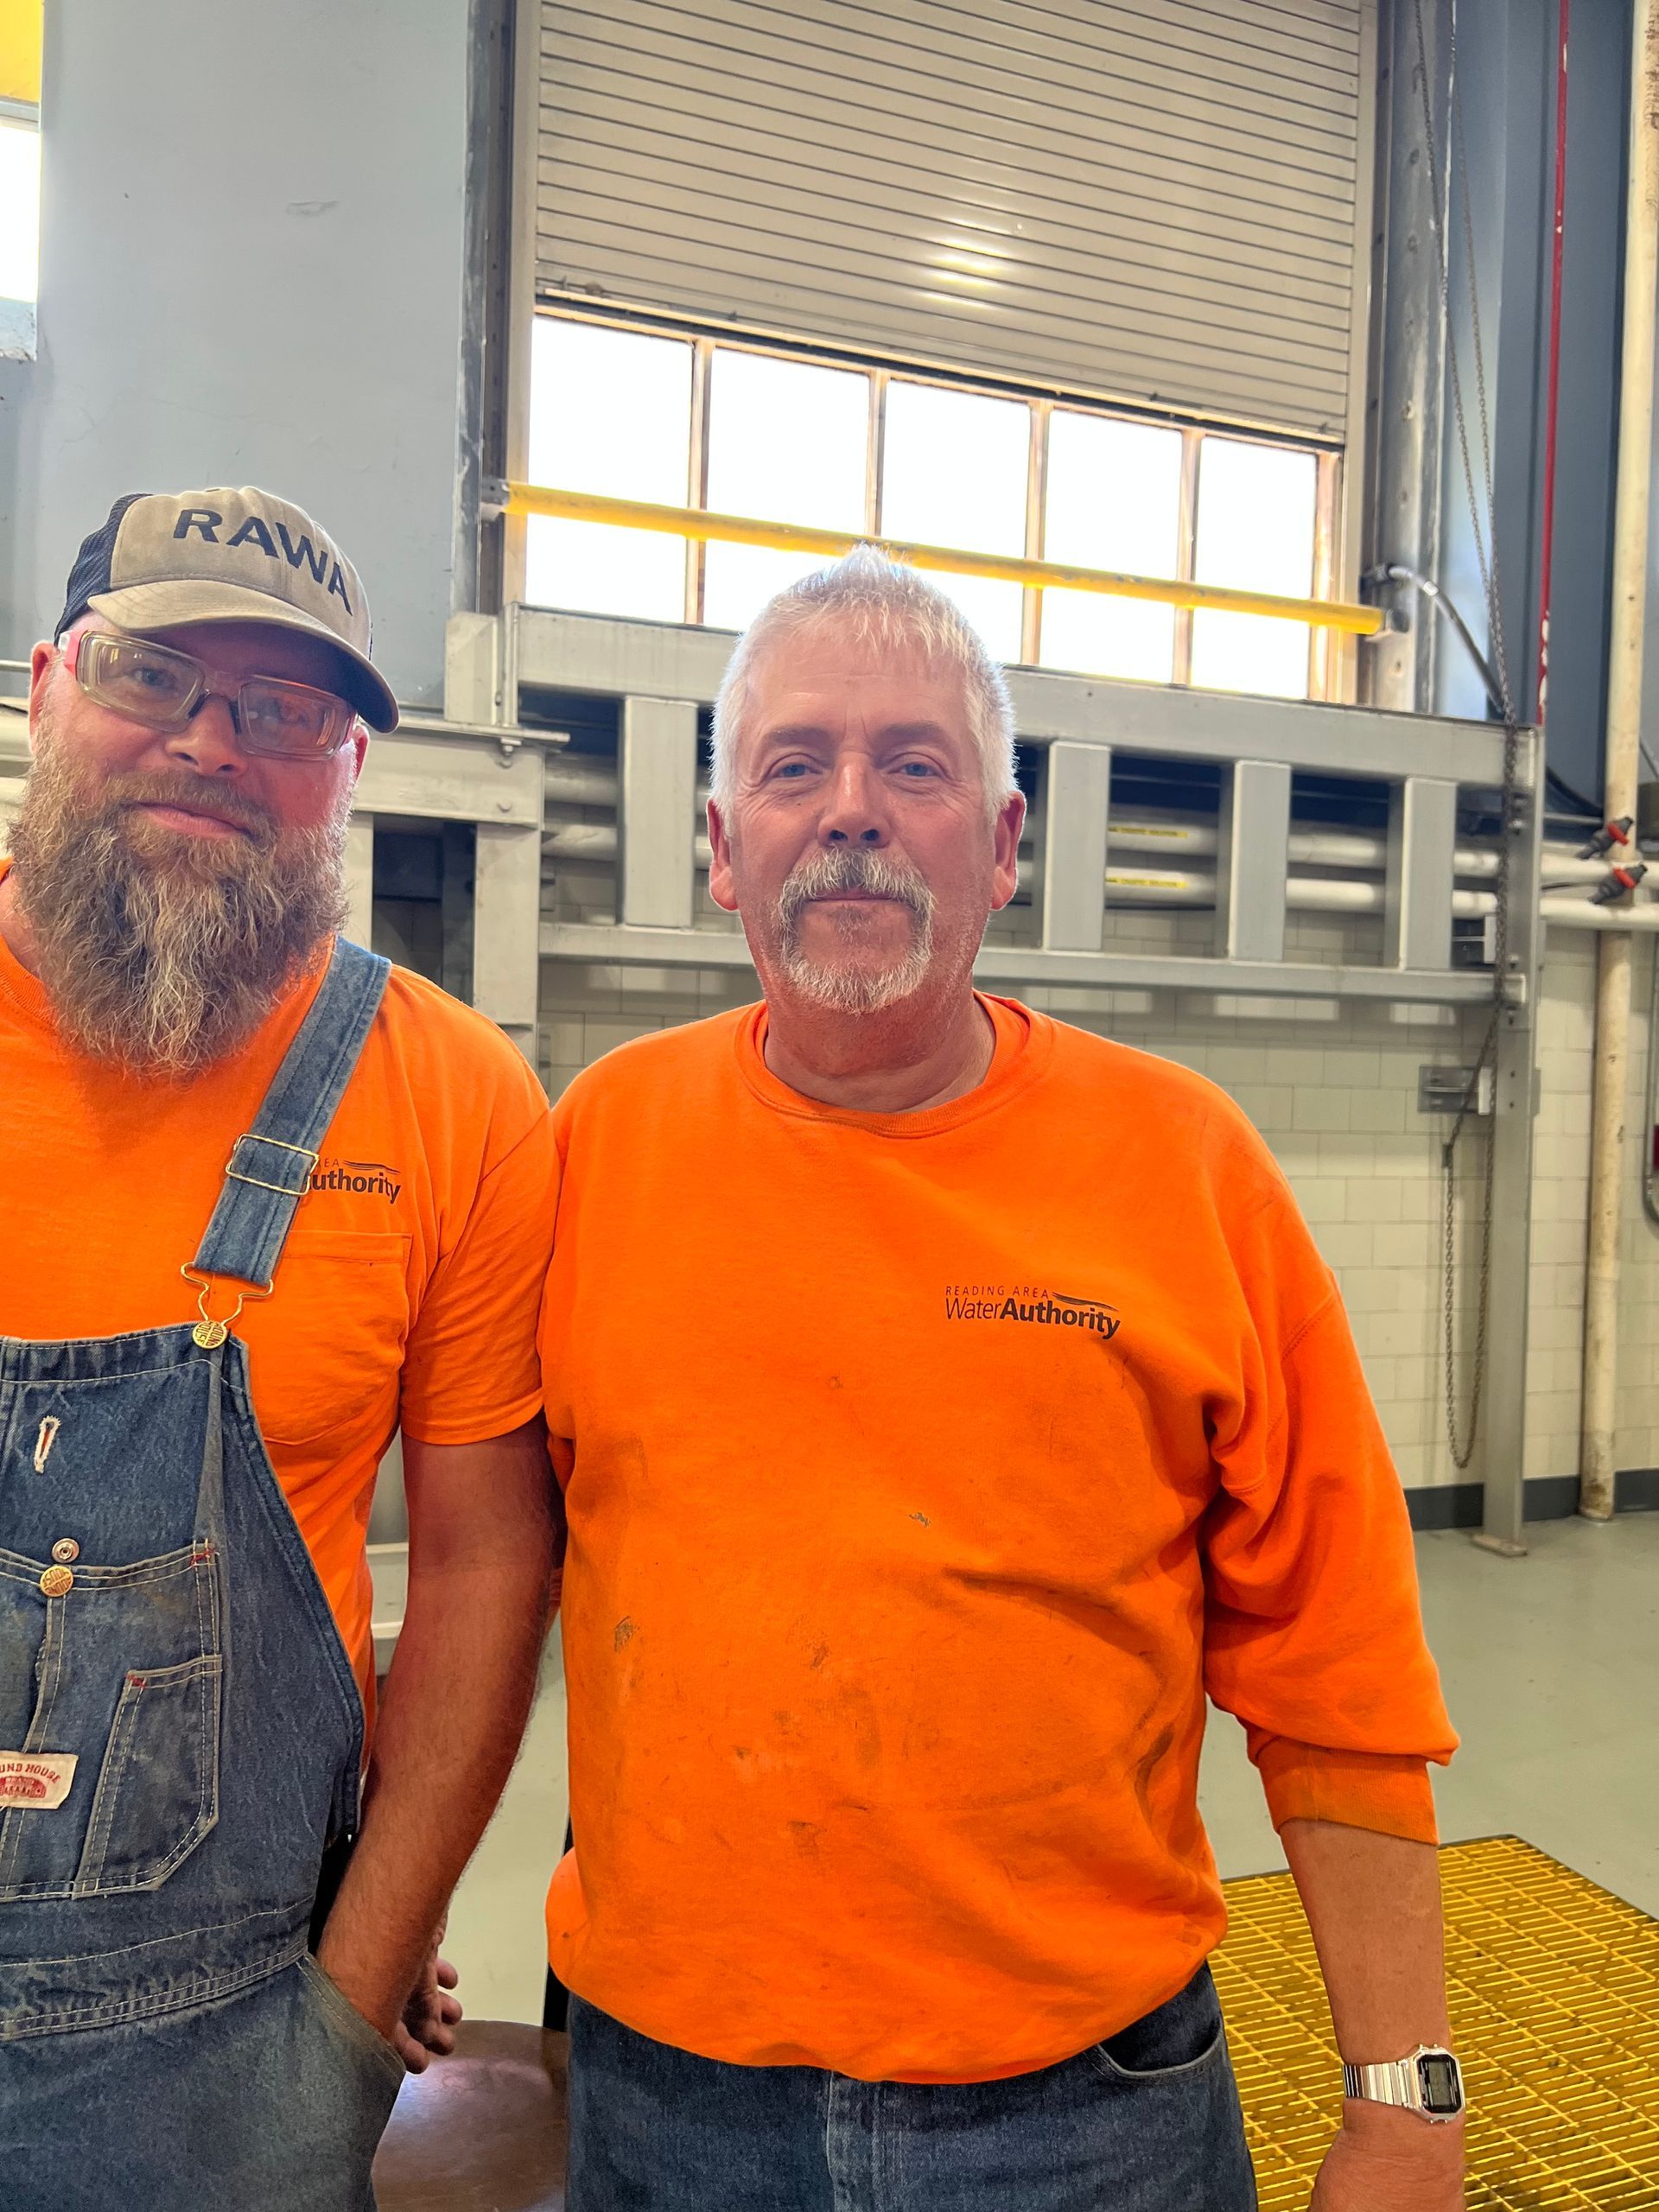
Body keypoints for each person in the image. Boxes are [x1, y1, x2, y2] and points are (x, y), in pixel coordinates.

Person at [538, 550, 1465, 2212]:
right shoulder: (595, 1147)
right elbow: (474, 1571)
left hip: (1083, 2122)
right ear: (720, 844)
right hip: (668, 2106)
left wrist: (1403, 2105)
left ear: (1007, 843)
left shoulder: (1184, 1167)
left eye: (916, 763)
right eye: (793, 764)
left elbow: (1342, 1677)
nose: (852, 811)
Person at [0, 487, 560, 2211]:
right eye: (154, 673)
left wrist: (350, 1987)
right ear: (46, 684)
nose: (210, 743)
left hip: (224, 2055)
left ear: (346, 767)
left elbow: (484, 1564)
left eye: (286, 711)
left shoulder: (451, 1096)